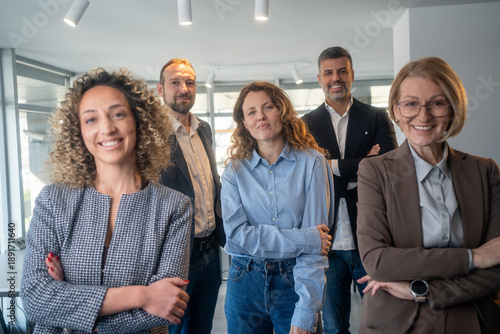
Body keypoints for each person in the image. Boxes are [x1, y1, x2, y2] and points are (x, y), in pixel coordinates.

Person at [20, 69, 193, 333]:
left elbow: (167, 307)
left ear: (139, 121)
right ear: (78, 132)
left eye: (118, 114)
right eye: (91, 119)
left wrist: (67, 301)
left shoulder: (175, 207)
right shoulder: (53, 200)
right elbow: (35, 300)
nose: (107, 128)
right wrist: (143, 296)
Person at [356, 57, 500, 333]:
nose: (423, 116)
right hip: (395, 321)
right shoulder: (374, 171)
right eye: (411, 104)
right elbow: (378, 262)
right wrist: (474, 258)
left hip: (472, 318)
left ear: (452, 109)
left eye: (436, 103)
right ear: (396, 111)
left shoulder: (485, 171)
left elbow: (497, 268)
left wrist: (419, 290)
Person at [221, 81, 335, 334]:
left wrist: (307, 309)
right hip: (244, 280)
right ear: (244, 122)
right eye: (251, 112)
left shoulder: (313, 164)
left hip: (294, 281)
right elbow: (238, 237)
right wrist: (306, 238)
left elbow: (316, 252)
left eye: (268, 107)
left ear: (282, 112)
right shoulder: (234, 172)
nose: (260, 116)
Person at [301, 46, 398, 334]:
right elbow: (306, 174)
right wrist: (363, 164)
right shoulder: (305, 124)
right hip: (327, 242)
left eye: (342, 71)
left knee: (380, 324)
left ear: (352, 74)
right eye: (329, 72)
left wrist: (329, 165)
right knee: (333, 328)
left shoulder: (377, 116)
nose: (336, 78)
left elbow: (388, 165)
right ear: (319, 78)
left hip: (371, 238)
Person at [156, 58, 226, 334]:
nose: (184, 88)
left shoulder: (204, 129)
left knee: (202, 328)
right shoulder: (151, 136)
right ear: (160, 90)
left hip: (211, 250)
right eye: (175, 82)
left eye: (190, 82)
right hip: (176, 254)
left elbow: (211, 183)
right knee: (174, 330)